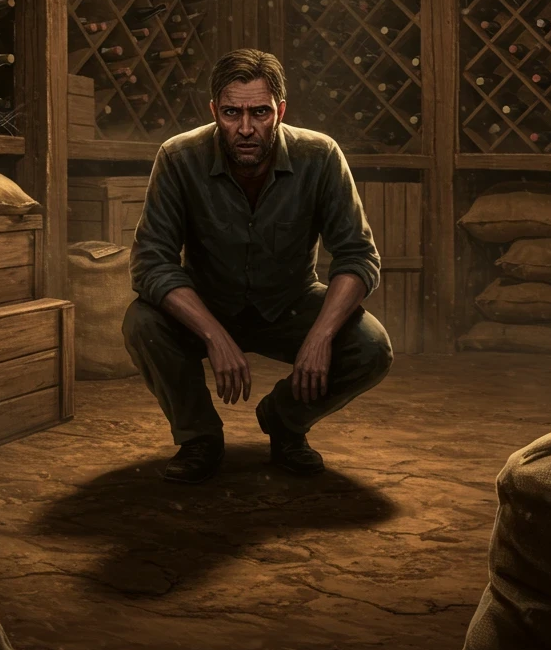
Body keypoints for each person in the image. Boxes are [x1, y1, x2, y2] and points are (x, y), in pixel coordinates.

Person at [122, 48, 393, 485]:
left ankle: (285, 423)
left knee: (371, 346)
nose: (245, 128)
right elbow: (151, 261)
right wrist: (213, 334)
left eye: (260, 112)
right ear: (214, 111)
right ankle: (199, 438)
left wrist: (320, 337)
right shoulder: (178, 156)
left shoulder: (320, 156)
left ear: (280, 111)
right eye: (231, 113)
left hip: (290, 302)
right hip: (206, 303)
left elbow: (358, 255)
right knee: (141, 321)